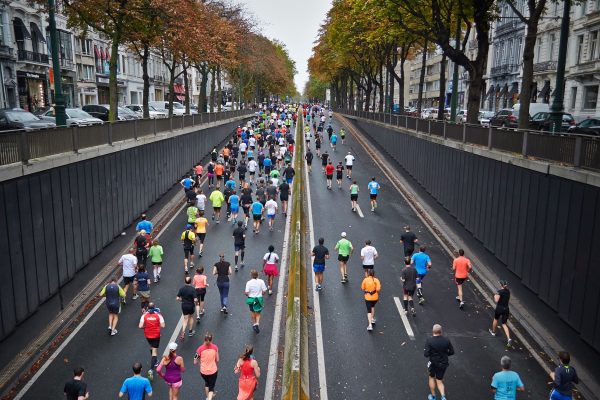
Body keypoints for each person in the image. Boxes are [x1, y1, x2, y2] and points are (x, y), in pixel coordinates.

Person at [424, 324, 454, 400]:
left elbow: (426, 354)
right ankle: (443, 397)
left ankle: (433, 397)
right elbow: (452, 352)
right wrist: (445, 354)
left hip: (433, 364)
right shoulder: (447, 340)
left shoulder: (429, 341)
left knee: (431, 377)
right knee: (439, 380)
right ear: (441, 331)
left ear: (433, 331)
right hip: (443, 363)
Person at [139, 302, 165, 380]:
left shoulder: (144, 315)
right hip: (156, 335)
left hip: (147, 335)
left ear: (148, 308)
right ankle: (151, 370)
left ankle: (156, 360)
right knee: (154, 352)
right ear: (155, 307)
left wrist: (146, 327)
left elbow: (140, 326)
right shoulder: (158, 315)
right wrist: (156, 324)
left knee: (151, 347)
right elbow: (163, 325)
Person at [489, 280, 513, 347]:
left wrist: (495, 296)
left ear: (500, 285)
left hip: (499, 309)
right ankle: (509, 338)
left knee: (496, 319)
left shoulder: (499, 292)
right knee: (504, 324)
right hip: (506, 309)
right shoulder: (508, 291)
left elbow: (496, 300)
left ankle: (493, 332)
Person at [195, 332, 219, 400]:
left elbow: (195, 361)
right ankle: (209, 398)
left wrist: (200, 364)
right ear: (211, 340)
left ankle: (207, 397)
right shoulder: (215, 347)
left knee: (207, 383)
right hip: (213, 371)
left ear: (204, 339)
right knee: (211, 388)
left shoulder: (199, 349)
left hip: (203, 372)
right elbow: (217, 359)